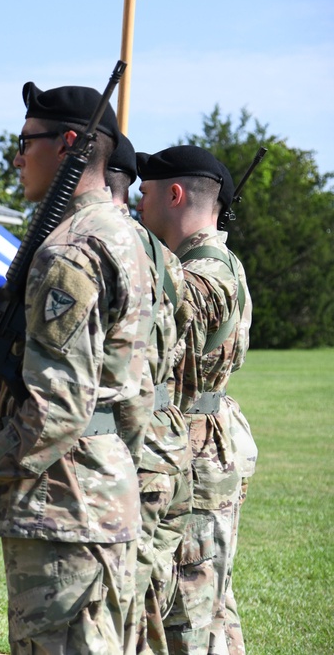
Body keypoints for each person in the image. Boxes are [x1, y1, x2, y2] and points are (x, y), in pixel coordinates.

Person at [0, 82, 155, 654]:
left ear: (69, 143)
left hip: (64, 510)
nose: (17, 156)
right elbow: (135, 387)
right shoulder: (128, 239)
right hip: (101, 498)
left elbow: (56, 411)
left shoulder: (68, 251)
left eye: (26, 142)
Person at [137, 146, 252, 655]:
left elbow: (183, 302)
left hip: (198, 448)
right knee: (210, 602)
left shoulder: (210, 270)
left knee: (189, 606)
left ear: (175, 194)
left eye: (141, 194)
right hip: (200, 439)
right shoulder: (203, 261)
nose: (135, 205)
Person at [106, 135, 191, 655]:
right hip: (165, 437)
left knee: (125, 606)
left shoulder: (105, 247)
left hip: (128, 444)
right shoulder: (164, 259)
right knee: (147, 599)